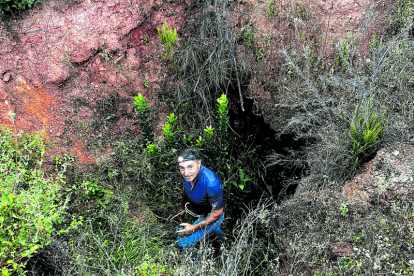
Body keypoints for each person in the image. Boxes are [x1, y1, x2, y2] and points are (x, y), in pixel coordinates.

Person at [175, 148, 225, 250]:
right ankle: (221, 242)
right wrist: (182, 207)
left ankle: (193, 262)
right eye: (182, 168)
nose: (186, 173)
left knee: (183, 243)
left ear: (199, 163)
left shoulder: (211, 183)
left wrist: (193, 228)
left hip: (212, 216)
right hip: (196, 211)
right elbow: (185, 187)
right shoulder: (186, 174)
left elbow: (217, 213)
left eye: (190, 167)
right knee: (178, 229)